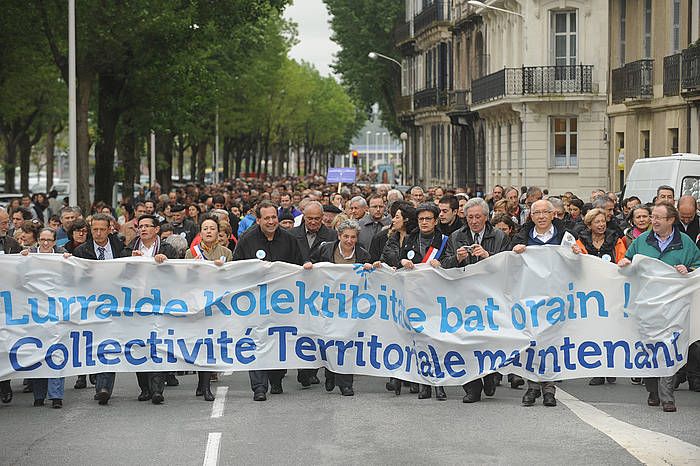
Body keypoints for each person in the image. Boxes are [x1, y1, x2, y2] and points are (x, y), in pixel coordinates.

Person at [618, 202, 700, 412]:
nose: (652, 221)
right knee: (649, 348)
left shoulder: (685, 243)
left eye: (658, 218)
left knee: (669, 349)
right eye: (652, 216)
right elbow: (628, 259)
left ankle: (667, 397)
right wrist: (625, 263)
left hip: (675, 308)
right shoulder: (642, 240)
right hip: (647, 307)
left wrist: (689, 268)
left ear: (671, 220)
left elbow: (698, 266)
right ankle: (653, 390)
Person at [232, 201, 311, 401]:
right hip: (256, 303)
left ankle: (276, 378)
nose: (271, 221)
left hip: (283, 303)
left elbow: (299, 264)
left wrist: (307, 266)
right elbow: (235, 268)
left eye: (274, 217)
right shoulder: (247, 240)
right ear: (258, 220)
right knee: (258, 341)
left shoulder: (289, 239)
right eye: (266, 218)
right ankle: (259, 387)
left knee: (278, 340)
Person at [441, 198, 512, 400]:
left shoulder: (499, 236)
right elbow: (444, 266)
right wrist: (457, 258)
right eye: (470, 217)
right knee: (465, 340)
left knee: (489, 339)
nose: (473, 221)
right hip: (464, 296)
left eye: (477, 217)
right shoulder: (456, 236)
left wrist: (488, 256)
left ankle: (490, 375)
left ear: (486, 217)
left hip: (491, 296)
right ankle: (471, 387)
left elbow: (507, 266)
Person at [511, 199, 573, 407]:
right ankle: (532, 387)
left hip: (557, 299)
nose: (541, 216)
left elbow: (578, 263)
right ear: (531, 216)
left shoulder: (566, 236)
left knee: (552, 343)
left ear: (553, 214)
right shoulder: (522, 238)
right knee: (532, 342)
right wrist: (516, 252)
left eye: (545, 212)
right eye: (536, 213)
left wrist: (576, 255)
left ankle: (549, 389)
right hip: (531, 299)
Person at [310, 219, 375, 396]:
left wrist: (370, 268)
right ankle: (330, 373)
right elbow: (311, 264)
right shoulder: (325, 249)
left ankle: (346, 383)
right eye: (345, 236)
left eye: (353, 237)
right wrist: (309, 266)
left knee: (347, 342)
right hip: (327, 304)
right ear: (339, 236)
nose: (349, 240)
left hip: (350, 307)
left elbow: (369, 280)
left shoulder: (362, 255)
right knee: (329, 340)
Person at [392, 203, 448, 400]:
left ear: (435, 221)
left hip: (437, 298)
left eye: (428, 219)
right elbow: (398, 260)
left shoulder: (444, 241)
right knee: (419, 341)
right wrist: (402, 262)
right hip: (414, 297)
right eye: (421, 219)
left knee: (436, 341)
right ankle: (424, 383)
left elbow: (453, 263)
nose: (424, 222)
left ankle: (439, 384)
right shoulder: (409, 239)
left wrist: (442, 263)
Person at [72, 213, 129, 405]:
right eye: (94, 229)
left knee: (109, 343)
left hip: (115, 304)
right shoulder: (81, 251)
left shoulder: (120, 247)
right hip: (91, 305)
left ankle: (104, 387)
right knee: (94, 343)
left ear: (109, 229)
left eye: (102, 229)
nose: (98, 233)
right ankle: (97, 376)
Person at [572, 208, 627, 386]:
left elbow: (622, 261)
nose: (601, 225)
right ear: (589, 225)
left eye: (603, 221)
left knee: (611, 331)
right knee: (594, 332)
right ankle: (598, 370)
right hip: (589, 295)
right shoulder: (581, 242)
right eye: (597, 222)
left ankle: (611, 368)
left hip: (612, 293)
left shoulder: (616, 241)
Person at [130, 214, 179, 404]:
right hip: (137, 304)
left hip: (160, 303)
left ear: (156, 229)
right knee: (139, 345)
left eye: (147, 226)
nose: (143, 229)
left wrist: (166, 262)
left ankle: (157, 388)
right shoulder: (130, 248)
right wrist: (128, 262)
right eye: (140, 226)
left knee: (158, 344)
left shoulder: (168, 249)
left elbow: (178, 273)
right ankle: (145, 388)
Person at [184, 215, 232, 401]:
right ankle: (202, 384)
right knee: (200, 343)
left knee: (211, 343)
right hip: (198, 303)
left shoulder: (226, 253)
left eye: (212, 228)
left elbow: (231, 278)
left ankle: (205, 385)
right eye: (205, 228)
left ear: (218, 232)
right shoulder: (191, 253)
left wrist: (222, 269)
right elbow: (186, 279)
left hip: (217, 304)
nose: (209, 231)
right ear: (200, 232)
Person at [291, 201, 337, 387]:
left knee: (322, 330)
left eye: (317, 219)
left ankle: (319, 368)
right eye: (309, 218)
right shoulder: (292, 235)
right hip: (299, 291)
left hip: (323, 291)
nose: (313, 222)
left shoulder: (332, 235)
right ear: (303, 216)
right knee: (304, 330)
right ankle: (305, 369)